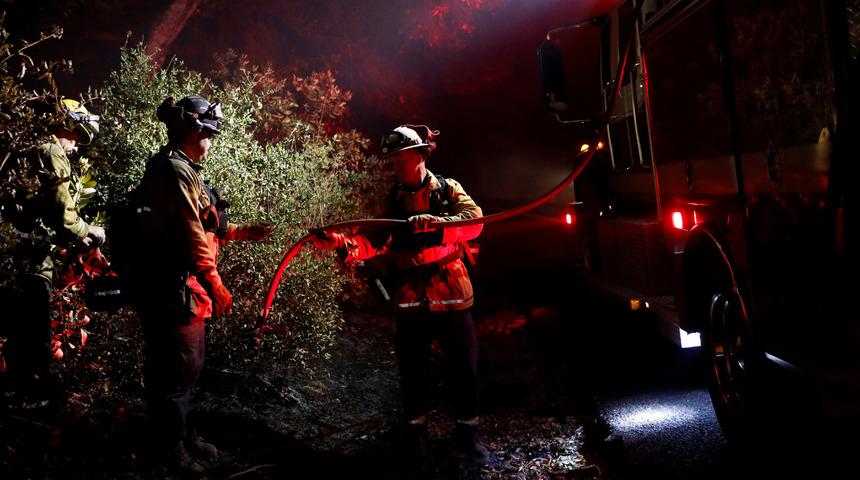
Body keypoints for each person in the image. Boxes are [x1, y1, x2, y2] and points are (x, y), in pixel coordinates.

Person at [311, 125, 490, 465]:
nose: (395, 167)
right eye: (392, 162)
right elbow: (372, 240)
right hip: (411, 298)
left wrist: (435, 223)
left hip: (451, 293)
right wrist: (341, 243)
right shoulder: (393, 201)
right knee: (413, 372)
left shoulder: (448, 190)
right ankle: (416, 439)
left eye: (401, 160)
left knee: (464, 368)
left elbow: (475, 221)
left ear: (422, 155)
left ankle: (468, 437)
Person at [132, 95, 270, 474]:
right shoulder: (174, 170)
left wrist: (243, 232)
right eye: (208, 134)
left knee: (187, 368)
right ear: (194, 131)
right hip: (174, 289)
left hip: (184, 288)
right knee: (176, 369)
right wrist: (216, 284)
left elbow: (207, 224)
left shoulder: (186, 170)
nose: (210, 142)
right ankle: (169, 449)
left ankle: (182, 434)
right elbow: (191, 235)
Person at [3, 98, 105, 409]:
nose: (75, 148)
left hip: (12, 250)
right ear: (67, 126)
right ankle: (29, 394)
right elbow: (64, 216)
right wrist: (89, 231)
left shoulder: (22, 144)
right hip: (26, 256)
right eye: (76, 139)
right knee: (32, 328)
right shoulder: (49, 150)